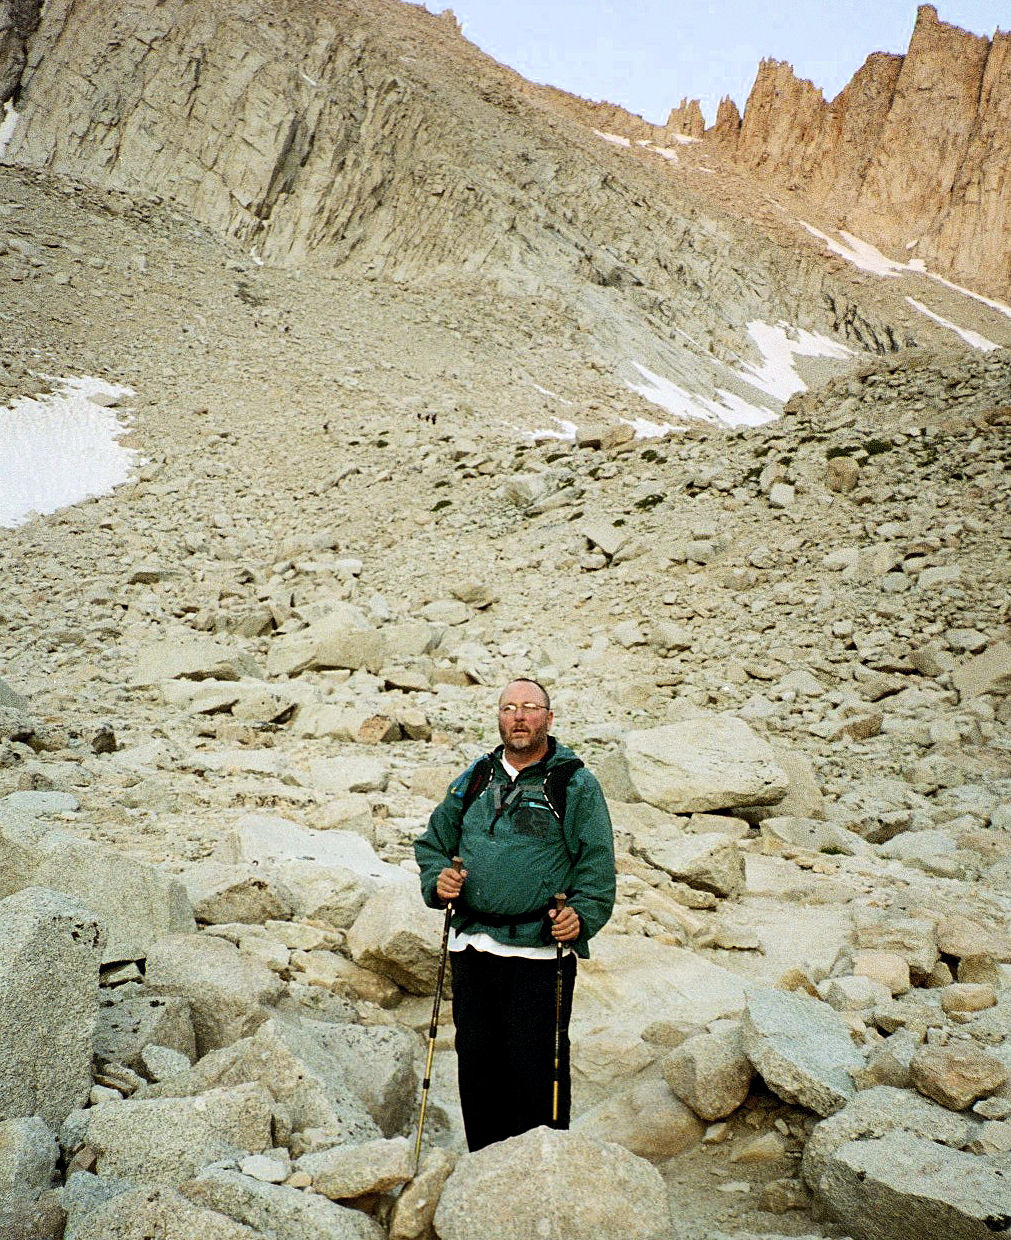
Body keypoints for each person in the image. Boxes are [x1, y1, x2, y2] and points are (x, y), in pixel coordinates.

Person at [414, 677, 615, 1151]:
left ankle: (542, 1171)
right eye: (509, 708)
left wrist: (581, 917)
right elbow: (433, 845)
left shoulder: (574, 784)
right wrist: (438, 880)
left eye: (530, 708)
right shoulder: (476, 778)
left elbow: (597, 866)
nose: (519, 717)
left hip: (539, 953)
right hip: (472, 946)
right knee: (477, 1063)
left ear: (549, 716)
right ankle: (484, 1167)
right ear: (499, 717)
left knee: (537, 1068)